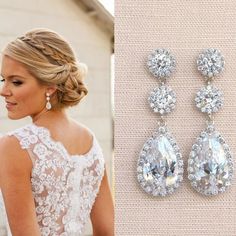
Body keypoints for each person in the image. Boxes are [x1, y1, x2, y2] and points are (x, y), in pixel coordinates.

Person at [0, 28, 114, 236]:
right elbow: (109, 230)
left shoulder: (14, 146)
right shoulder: (90, 141)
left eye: (16, 82)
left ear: (50, 86)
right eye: (3, 79)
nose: (3, 90)